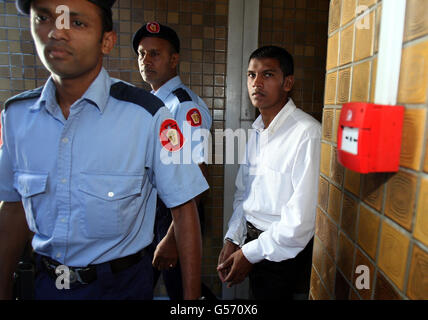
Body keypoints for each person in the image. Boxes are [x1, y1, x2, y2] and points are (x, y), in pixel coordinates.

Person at [0, 0, 208, 300]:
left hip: (120, 285)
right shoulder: (17, 117)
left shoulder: (151, 113)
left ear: (107, 41)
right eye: (44, 18)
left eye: (77, 22)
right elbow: (13, 208)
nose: (57, 33)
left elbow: (189, 196)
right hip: (48, 284)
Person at [217, 46, 321, 300]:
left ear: (288, 83)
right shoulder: (257, 131)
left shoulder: (307, 133)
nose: (257, 83)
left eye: (268, 75)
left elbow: (301, 220)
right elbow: (245, 194)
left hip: (284, 257)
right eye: (251, 75)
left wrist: (250, 254)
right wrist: (234, 237)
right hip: (252, 244)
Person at [132, 22, 212, 300]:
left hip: (177, 212)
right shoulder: (151, 103)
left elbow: (197, 177)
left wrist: (171, 237)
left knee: (184, 291)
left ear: (174, 59)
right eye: (141, 54)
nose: (146, 61)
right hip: (157, 211)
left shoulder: (183, 106)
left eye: (155, 54)